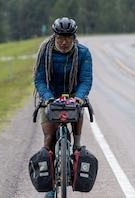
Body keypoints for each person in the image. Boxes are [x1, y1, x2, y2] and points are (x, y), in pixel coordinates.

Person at [33, 17, 93, 198]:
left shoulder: (83, 53)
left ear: (74, 37)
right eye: (60, 38)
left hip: (74, 97)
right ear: (54, 36)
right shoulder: (45, 51)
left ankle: (77, 144)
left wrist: (80, 98)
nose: (64, 42)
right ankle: (50, 187)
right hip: (50, 98)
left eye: (68, 38)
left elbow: (85, 80)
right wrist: (48, 98)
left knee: (78, 114)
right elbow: (40, 79)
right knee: (49, 138)